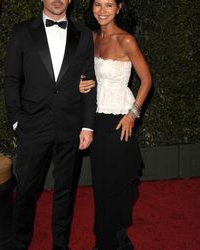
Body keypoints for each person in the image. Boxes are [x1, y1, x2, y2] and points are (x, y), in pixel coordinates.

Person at [4, 0, 96, 249]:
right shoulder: (22, 31)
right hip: (33, 126)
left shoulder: (84, 34)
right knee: (25, 191)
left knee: (65, 191)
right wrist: (16, 121)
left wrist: (87, 126)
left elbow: (89, 81)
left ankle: (60, 245)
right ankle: (19, 243)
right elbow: (11, 79)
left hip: (70, 126)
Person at [80, 0, 152, 249]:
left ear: (119, 8)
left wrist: (133, 114)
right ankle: (106, 238)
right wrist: (83, 84)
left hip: (120, 120)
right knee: (101, 183)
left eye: (108, 5)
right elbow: (88, 75)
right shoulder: (91, 37)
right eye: (97, 4)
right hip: (96, 119)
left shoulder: (126, 40)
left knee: (119, 182)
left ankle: (115, 236)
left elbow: (146, 80)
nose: (102, 10)